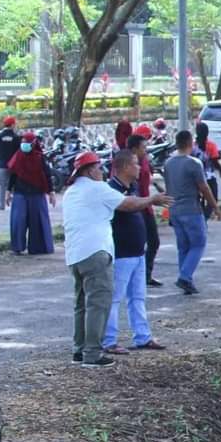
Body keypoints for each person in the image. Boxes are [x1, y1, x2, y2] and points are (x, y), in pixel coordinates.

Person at [63, 150, 170, 367]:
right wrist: (152, 199)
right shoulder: (98, 189)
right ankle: (92, 354)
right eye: (99, 168)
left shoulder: (71, 192)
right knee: (98, 303)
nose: (102, 172)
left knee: (82, 304)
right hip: (96, 252)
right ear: (91, 170)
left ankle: (79, 349)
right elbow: (128, 204)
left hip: (75, 254)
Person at [102, 150, 166, 355]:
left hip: (138, 252)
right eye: (136, 164)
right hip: (122, 253)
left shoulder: (134, 187)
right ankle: (109, 340)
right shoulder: (111, 189)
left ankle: (143, 336)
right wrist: (151, 199)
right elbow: (129, 206)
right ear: (125, 167)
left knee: (138, 297)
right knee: (114, 298)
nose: (139, 168)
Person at [164, 129, 220, 295]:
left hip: (175, 209)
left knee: (183, 246)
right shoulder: (194, 163)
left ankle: (185, 277)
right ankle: (185, 276)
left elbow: (168, 188)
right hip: (191, 209)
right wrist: (215, 206)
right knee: (198, 243)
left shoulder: (168, 163)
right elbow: (204, 187)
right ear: (190, 143)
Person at [6, 131, 56, 255]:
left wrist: (51, 192)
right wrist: (8, 191)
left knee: (38, 221)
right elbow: (13, 175)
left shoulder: (39, 157)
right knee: (18, 221)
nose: (24, 144)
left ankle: (38, 247)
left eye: (27, 142)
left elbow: (47, 175)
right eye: (23, 142)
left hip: (37, 193)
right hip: (20, 193)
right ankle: (17, 247)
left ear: (33, 144)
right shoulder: (18, 156)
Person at [127, 133, 163, 286]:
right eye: (143, 147)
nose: (145, 150)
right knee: (138, 244)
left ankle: (146, 274)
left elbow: (148, 179)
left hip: (146, 205)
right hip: (136, 206)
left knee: (153, 241)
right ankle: (137, 275)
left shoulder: (144, 161)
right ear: (134, 149)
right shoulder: (127, 164)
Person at [193, 122, 221, 219]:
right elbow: (215, 161)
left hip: (196, 178)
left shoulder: (193, 146)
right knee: (213, 199)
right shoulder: (211, 145)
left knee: (198, 200)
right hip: (209, 177)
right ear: (207, 132)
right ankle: (204, 218)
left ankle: (201, 218)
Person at [0, 116, 20, 210]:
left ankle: (1, 205)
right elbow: (19, 151)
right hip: (13, 165)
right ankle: (17, 205)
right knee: (15, 185)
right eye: (14, 124)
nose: (15, 126)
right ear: (12, 125)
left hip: (2, 165)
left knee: (2, 185)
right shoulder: (15, 137)